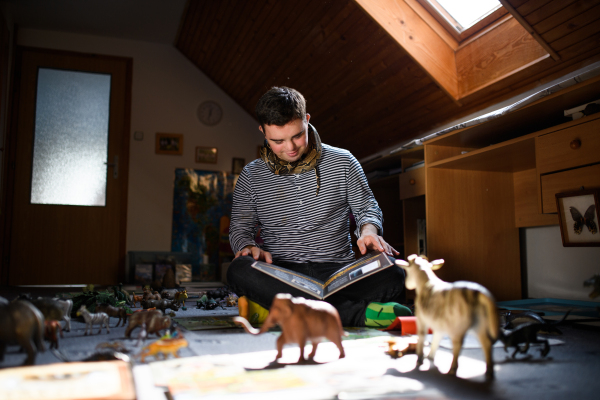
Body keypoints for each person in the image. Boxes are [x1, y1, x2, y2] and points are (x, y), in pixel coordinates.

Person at [227, 86, 410, 327]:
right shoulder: (252, 175)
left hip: (339, 273)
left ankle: (280, 310)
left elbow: (367, 207)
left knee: (396, 272)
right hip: (282, 274)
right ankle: (353, 314)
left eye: (297, 135)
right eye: (278, 141)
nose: (290, 148)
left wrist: (368, 231)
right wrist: (248, 246)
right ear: (262, 131)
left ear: (307, 120)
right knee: (238, 270)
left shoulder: (343, 160)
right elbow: (239, 229)